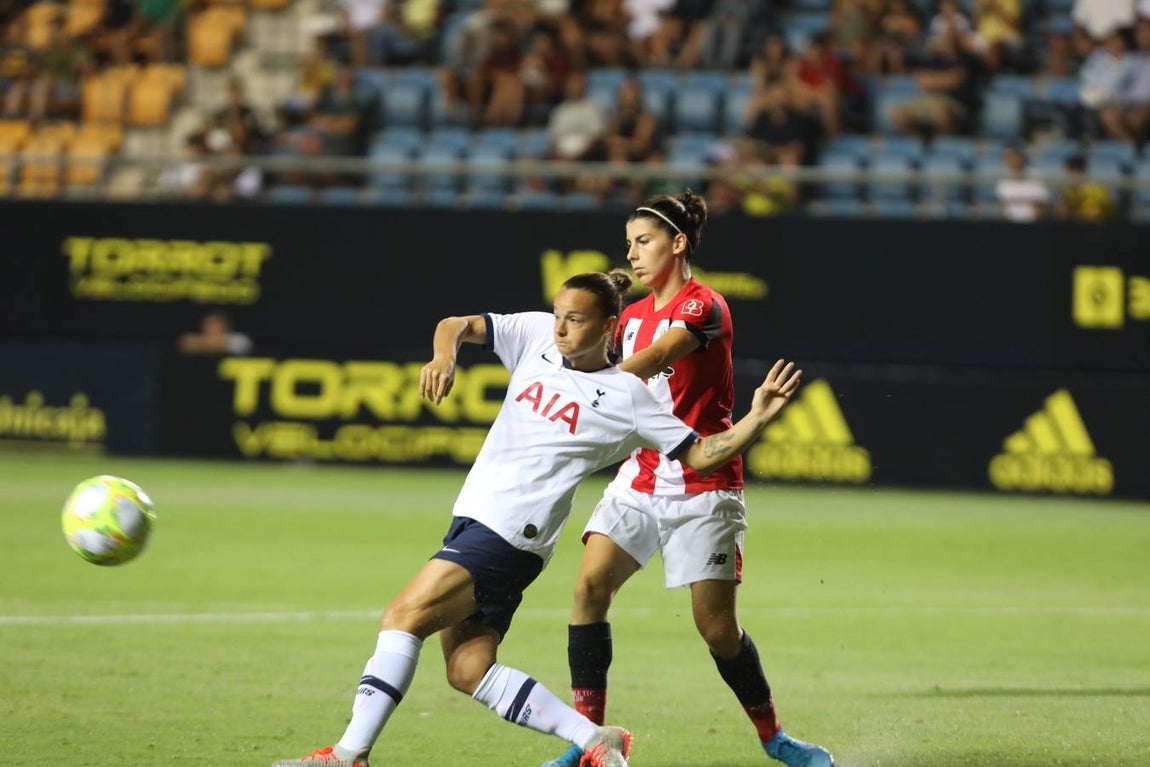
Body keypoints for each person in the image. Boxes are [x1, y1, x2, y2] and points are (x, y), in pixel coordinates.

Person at [271, 270, 805, 767]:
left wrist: (756, 417)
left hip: (511, 532)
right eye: (558, 314)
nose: (561, 328)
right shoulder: (535, 337)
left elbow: (701, 454)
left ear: (609, 327)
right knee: (467, 670)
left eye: (575, 319)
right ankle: (594, 738)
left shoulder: (627, 397)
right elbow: (457, 324)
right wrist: (443, 356)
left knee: (401, 616)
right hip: (474, 519)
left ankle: (349, 754)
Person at [540, 194, 834, 767]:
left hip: (705, 481)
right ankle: (590, 740)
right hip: (642, 474)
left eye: (644, 241)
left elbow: (655, 358)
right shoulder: (630, 315)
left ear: (677, 244)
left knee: (717, 628)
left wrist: (584, 385)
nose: (633, 253)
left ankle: (775, 737)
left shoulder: (705, 306)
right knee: (589, 589)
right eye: (628, 243)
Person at [176, 310, 252, 355]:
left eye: (214, 324)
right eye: (207, 324)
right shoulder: (200, 338)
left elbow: (243, 345)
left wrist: (204, 345)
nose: (209, 328)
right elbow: (184, 343)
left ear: (225, 326)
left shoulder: (238, 339)